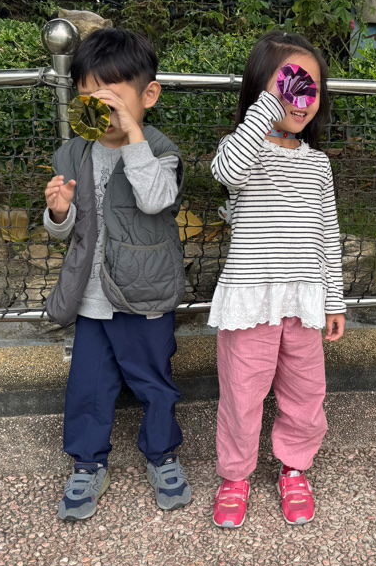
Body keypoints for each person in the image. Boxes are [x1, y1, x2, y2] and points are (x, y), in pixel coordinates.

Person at [43, 28, 190, 522]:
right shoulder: (73, 154)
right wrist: (58, 212)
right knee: (88, 384)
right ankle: (87, 463)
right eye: (89, 97)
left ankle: (162, 454)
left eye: (112, 98)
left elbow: (155, 199)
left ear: (148, 95)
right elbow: (66, 232)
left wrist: (132, 136)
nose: (101, 109)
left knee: (154, 382)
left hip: (145, 296)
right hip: (91, 298)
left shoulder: (160, 150)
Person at [208, 31, 346, 529]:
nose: (300, 98)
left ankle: (295, 467)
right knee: (241, 395)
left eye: (311, 87)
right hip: (249, 301)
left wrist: (334, 300)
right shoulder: (242, 150)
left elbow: (327, 233)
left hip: (303, 303)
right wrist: (266, 109)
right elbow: (227, 172)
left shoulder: (318, 164)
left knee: (306, 393)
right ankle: (235, 475)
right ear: (260, 91)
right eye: (289, 84)